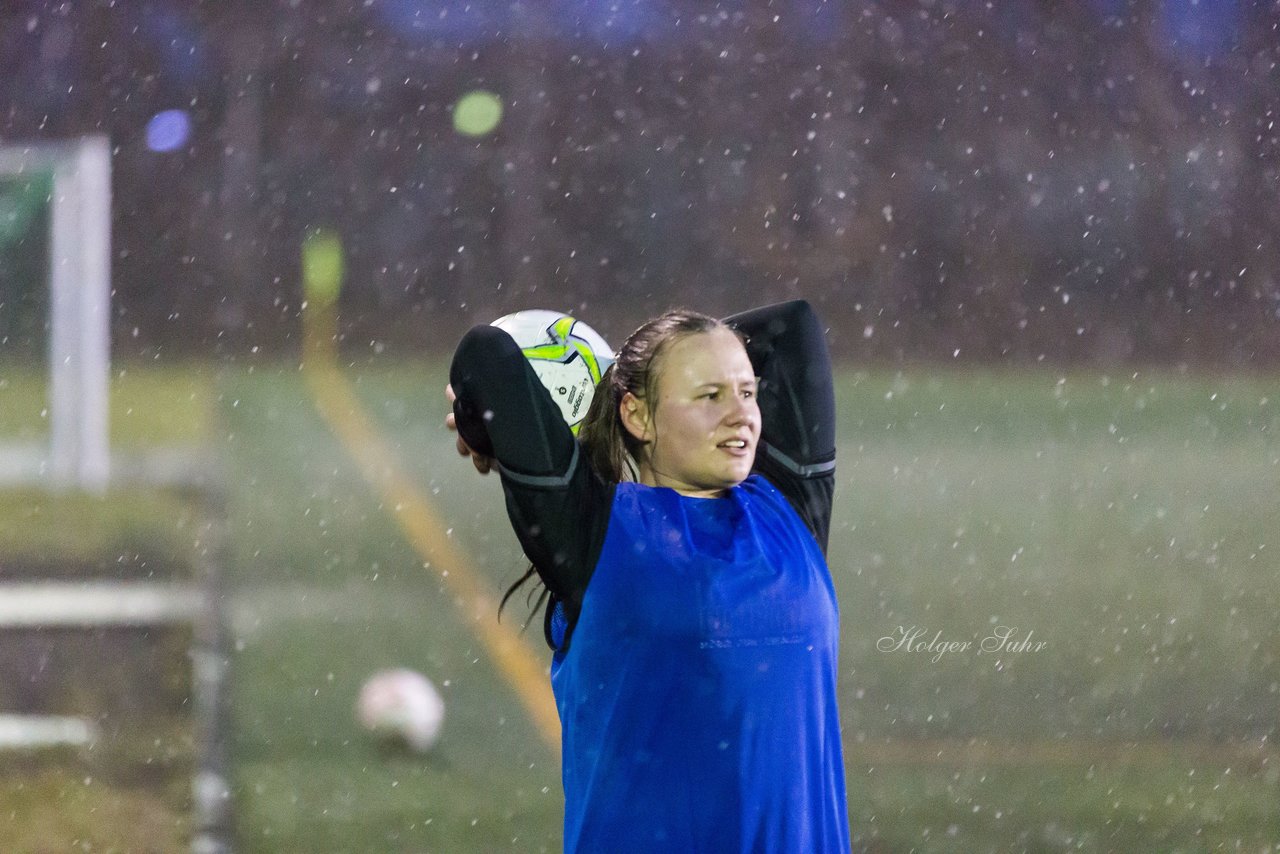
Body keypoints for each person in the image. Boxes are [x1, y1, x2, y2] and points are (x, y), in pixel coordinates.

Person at [446, 300, 850, 853]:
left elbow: (795, 324)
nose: (741, 415)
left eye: (747, 392)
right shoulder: (592, 529)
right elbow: (488, 354)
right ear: (636, 416)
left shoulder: (791, 509)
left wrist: (656, 360)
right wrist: (480, 421)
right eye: (709, 396)